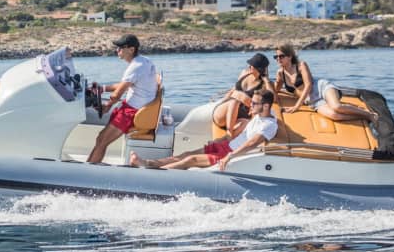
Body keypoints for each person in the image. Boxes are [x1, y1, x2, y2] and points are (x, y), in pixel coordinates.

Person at [130, 90, 278, 171]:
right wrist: (223, 139)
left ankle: (153, 175)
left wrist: (230, 156)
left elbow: (251, 143)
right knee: (185, 154)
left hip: (231, 154)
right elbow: (245, 132)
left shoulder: (268, 125)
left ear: (265, 106)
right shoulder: (262, 114)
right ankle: (147, 163)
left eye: (254, 103)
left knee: (190, 160)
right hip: (226, 146)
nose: (250, 106)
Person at [86, 34, 158, 164]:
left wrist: (107, 106)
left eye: (121, 47)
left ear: (131, 49)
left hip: (132, 111)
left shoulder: (135, 67)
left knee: (102, 141)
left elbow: (118, 94)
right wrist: (103, 88)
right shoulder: (143, 61)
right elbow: (125, 84)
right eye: (117, 47)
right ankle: (90, 165)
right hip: (133, 106)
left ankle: (87, 171)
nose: (117, 50)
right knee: (101, 139)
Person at [211, 53, 272, 137]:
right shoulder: (244, 73)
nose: (249, 67)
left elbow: (273, 98)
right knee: (235, 100)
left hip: (239, 118)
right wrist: (221, 102)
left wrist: (266, 79)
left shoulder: (264, 84)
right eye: (250, 65)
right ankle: (229, 133)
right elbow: (233, 90)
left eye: (252, 66)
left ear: (259, 69)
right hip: (224, 111)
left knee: (247, 123)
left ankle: (226, 140)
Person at [272, 43, 315, 114]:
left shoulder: (301, 65)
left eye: (281, 56)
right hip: (307, 101)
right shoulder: (280, 73)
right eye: (276, 57)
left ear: (290, 56)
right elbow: (276, 89)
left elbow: (308, 85)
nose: (278, 59)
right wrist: (265, 78)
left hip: (317, 94)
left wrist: (297, 106)